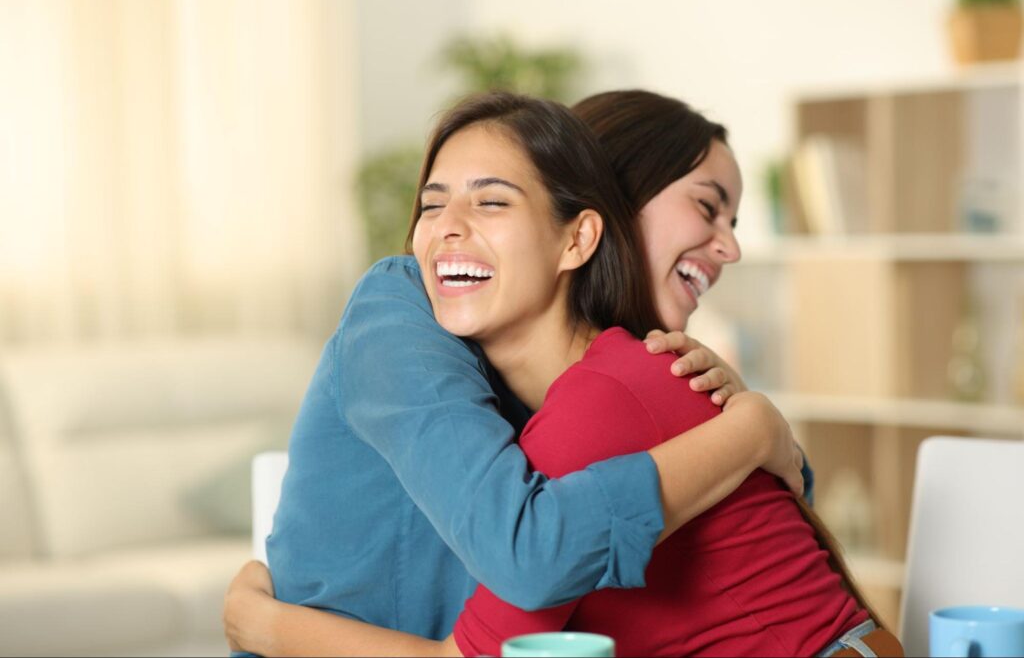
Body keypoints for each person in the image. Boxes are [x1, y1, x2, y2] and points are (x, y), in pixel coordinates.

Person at [224, 92, 898, 657]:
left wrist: (265, 625)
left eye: (491, 202)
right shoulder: (411, 315)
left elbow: (509, 596)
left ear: (579, 236)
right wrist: (750, 429)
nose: (730, 245)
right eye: (705, 205)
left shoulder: (606, 390)